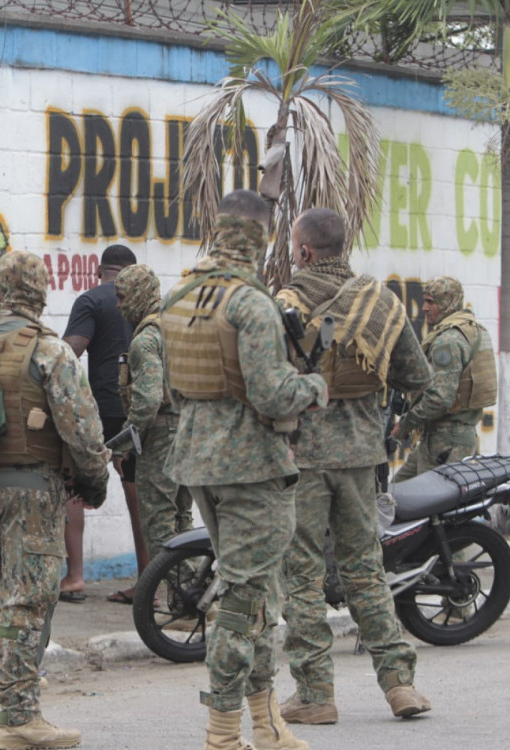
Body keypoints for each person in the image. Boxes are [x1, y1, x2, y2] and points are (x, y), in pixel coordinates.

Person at [160, 189, 326, 750]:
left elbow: (172, 388)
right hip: (251, 467)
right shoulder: (250, 304)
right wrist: (316, 386)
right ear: (264, 236)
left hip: (197, 461)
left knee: (257, 594)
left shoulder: (180, 295)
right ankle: (223, 733)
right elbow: (273, 393)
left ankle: (268, 724)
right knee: (243, 598)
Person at [0, 251, 110, 749]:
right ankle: (18, 718)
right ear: (40, 291)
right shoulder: (49, 352)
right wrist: (92, 485)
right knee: (26, 600)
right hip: (33, 492)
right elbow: (83, 431)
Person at [273, 207, 433, 724]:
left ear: (303, 251)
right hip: (363, 457)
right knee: (365, 570)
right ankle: (399, 685)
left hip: (301, 459)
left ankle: (315, 695)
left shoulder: (283, 303)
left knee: (302, 576)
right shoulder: (379, 301)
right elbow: (418, 376)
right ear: (341, 248)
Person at [60, 244, 143, 605]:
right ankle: (149, 583)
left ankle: (76, 576)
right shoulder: (151, 304)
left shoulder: (91, 300)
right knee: (138, 493)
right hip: (140, 410)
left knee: (74, 484)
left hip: (103, 409)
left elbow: (70, 351)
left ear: (99, 271)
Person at [113, 264, 192, 568]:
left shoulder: (145, 340)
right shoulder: (178, 327)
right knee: (182, 519)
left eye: (122, 297)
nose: (119, 306)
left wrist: (123, 443)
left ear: (137, 295)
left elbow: (147, 400)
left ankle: (182, 592)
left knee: (159, 524)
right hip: (188, 432)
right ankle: (191, 598)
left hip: (161, 438)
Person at [391, 276, 497, 481]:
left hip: (446, 442)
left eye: (431, 302)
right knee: (396, 497)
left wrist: (405, 424)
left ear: (447, 303)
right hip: (449, 438)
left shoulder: (447, 341)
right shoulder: (473, 330)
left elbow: (441, 397)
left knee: (433, 507)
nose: (424, 308)